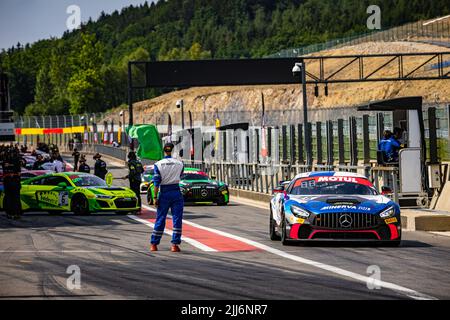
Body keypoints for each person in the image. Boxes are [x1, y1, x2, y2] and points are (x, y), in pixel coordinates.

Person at [150, 142, 184, 253]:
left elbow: (156, 183)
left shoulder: (158, 164)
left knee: (160, 218)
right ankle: (175, 245)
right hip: (176, 192)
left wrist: (155, 197)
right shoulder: (180, 163)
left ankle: (154, 244)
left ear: (164, 151)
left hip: (164, 193)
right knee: (177, 219)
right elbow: (181, 176)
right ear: (173, 150)